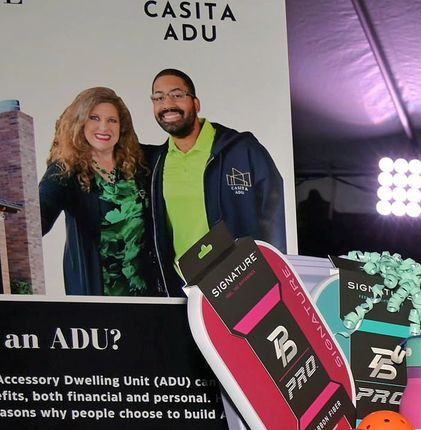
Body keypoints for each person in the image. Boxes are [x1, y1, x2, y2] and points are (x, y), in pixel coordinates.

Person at [143, 68, 286, 293]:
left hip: (240, 283)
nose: (167, 104)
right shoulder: (157, 162)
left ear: (196, 103)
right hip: (183, 290)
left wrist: (275, 278)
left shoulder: (241, 149)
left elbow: (273, 214)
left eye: (177, 95)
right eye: (158, 98)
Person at [38, 87, 157, 297]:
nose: (104, 127)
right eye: (94, 118)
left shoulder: (141, 161)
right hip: (97, 299)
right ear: (80, 122)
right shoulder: (65, 170)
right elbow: (38, 217)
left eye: (112, 120)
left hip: (148, 295)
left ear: (122, 126)